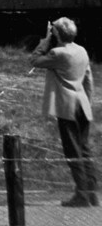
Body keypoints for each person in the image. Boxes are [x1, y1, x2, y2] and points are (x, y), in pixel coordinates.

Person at [29, 16, 97, 206]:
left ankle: (81, 194)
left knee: (72, 150)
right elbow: (89, 80)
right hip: (82, 103)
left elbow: (34, 60)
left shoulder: (58, 53)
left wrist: (44, 41)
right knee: (84, 149)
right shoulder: (81, 51)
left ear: (56, 33)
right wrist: (88, 102)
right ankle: (91, 192)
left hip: (67, 106)